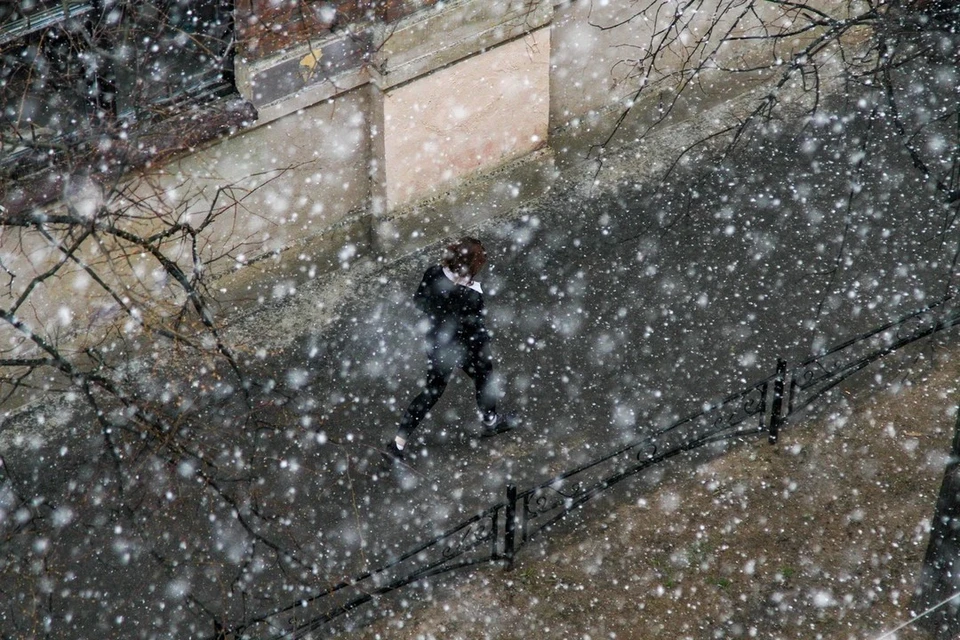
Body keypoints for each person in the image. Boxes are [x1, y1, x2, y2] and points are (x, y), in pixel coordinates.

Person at [386, 237, 514, 461]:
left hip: (437, 345)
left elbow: (419, 301)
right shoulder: (473, 295)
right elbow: (475, 330)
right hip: (465, 347)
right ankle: (490, 422)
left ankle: (397, 445)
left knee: (430, 393)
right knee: (485, 378)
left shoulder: (433, 273)